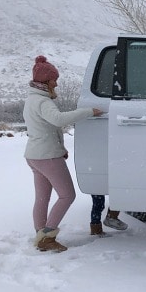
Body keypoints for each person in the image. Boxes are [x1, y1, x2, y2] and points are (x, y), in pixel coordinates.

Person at [23, 55, 103, 252]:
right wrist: (89, 112)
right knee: (67, 195)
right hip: (47, 156)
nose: (56, 83)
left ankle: (40, 234)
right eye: (54, 80)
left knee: (42, 198)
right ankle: (47, 237)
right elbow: (58, 120)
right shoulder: (43, 101)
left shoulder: (32, 99)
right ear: (46, 81)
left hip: (34, 156)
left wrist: (62, 148)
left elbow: (48, 127)